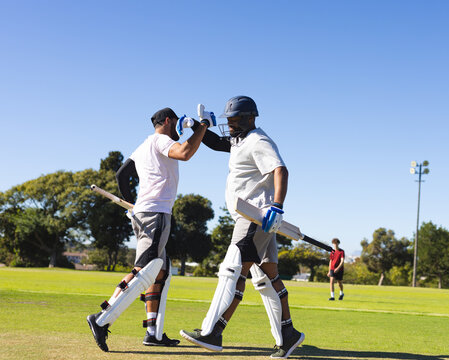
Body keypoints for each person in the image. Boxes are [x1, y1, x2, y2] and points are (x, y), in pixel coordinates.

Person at [180, 96, 304, 359]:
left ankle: (211, 331)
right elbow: (213, 142)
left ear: (250, 118)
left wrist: (278, 206)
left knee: (231, 271)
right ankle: (287, 334)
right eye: (228, 121)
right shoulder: (239, 140)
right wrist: (197, 125)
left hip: (254, 216)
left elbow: (281, 170)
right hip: (256, 219)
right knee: (265, 278)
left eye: (235, 120)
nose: (231, 125)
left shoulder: (258, 140)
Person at [86, 107, 213, 352]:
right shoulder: (162, 140)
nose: (178, 127)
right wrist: (203, 126)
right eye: (176, 122)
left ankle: (153, 333)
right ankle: (101, 319)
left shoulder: (144, 145)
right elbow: (185, 153)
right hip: (156, 213)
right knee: (147, 269)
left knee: (161, 273)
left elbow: (122, 174)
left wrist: (133, 203)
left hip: (145, 211)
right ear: (168, 121)